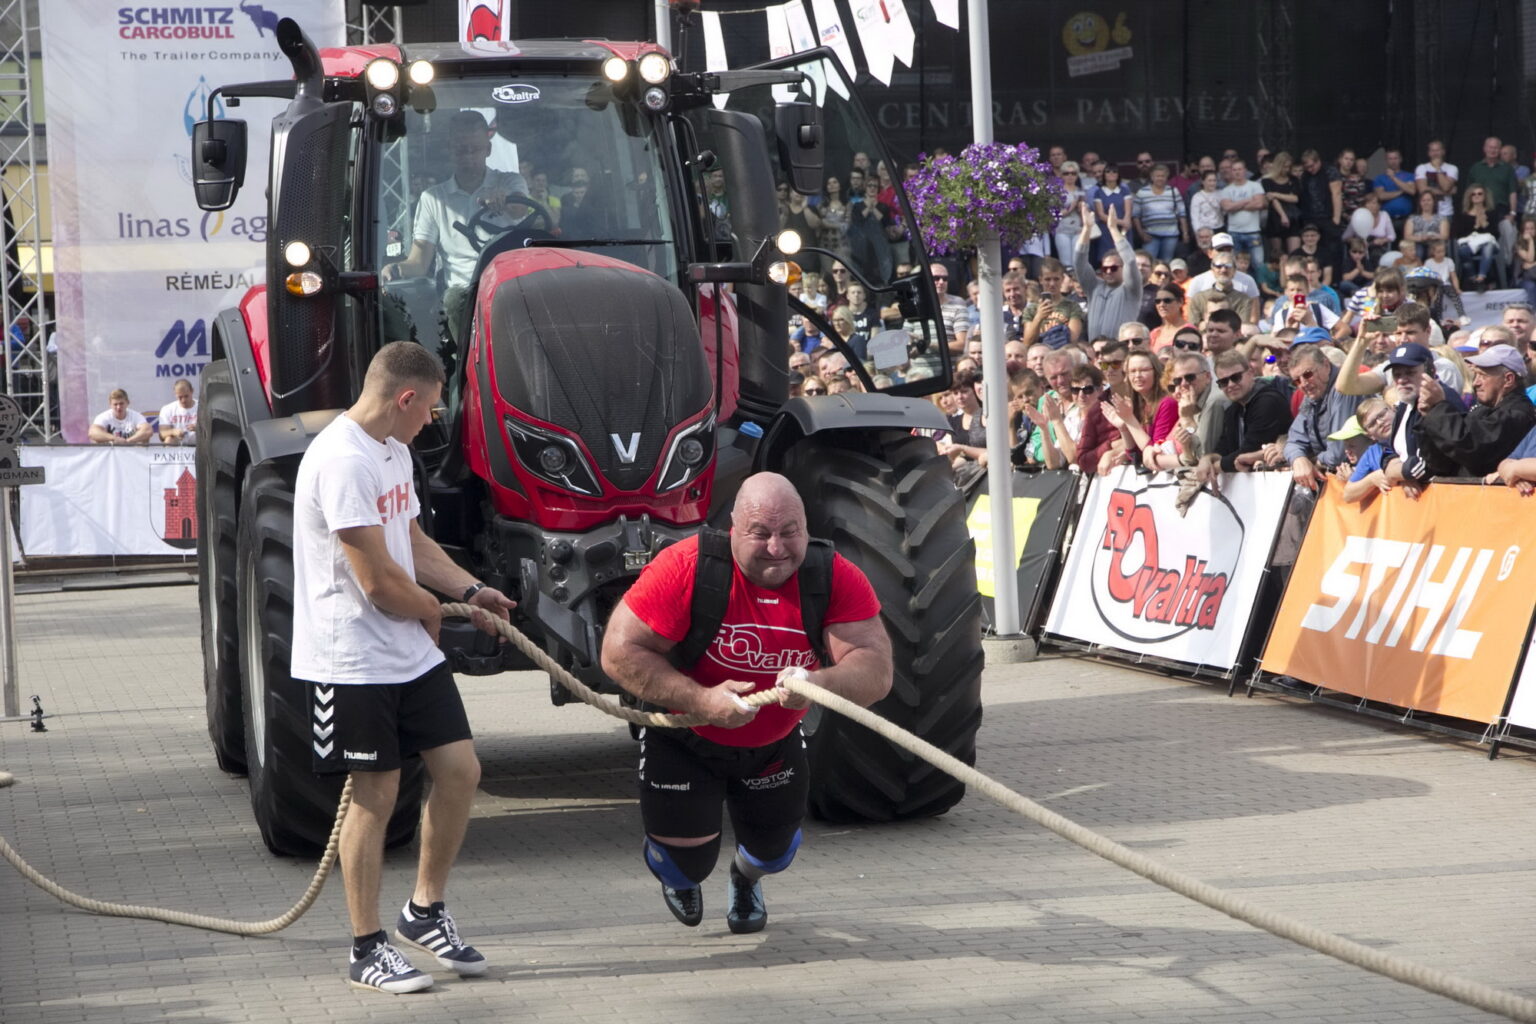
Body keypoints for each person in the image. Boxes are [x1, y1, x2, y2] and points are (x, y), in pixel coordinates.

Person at [290, 341, 515, 994]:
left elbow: (410, 541)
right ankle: (366, 948)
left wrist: (471, 590)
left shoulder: (392, 451)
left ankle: (424, 911)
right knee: (377, 794)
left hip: (407, 653)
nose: (432, 422)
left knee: (460, 771)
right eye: (431, 410)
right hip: (353, 659)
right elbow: (379, 583)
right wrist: (435, 611)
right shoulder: (342, 461)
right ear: (406, 397)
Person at [599, 472, 891, 934]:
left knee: (775, 854)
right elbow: (617, 653)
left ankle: (745, 878)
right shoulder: (685, 568)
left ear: (806, 527)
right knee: (683, 866)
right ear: (733, 529)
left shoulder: (833, 576)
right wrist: (700, 699)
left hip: (772, 745)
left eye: (790, 532)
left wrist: (817, 682)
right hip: (685, 737)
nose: (777, 548)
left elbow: (876, 671)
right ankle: (680, 869)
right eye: (760, 533)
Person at [389, 112, 531, 347]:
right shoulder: (434, 199)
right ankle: (470, 360)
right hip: (465, 294)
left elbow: (520, 209)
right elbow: (420, 261)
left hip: (511, 285)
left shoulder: (509, 183)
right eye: (461, 150)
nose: (468, 157)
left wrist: (504, 199)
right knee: (454, 299)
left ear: (488, 149)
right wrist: (395, 268)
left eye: (475, 149)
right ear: (450, 150)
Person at [1413, 342, 1536, 478]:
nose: (1475, 383)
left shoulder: (1517, 414)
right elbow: (1441, 463)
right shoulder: (1482, 410)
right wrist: (1429, 415)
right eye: (1475, 375)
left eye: (1482, 375)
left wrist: (1438, 407)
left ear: (1508, 379)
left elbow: (1470, 447)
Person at [1073, 204, 1143, 340]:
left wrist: (1112, 228)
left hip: (1120, 348)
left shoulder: (1131, 289)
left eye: (1114, 268)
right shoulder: (1093, 287)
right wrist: (1087, 229)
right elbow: (1079, 261)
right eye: (1105, 268)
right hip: (1095, 349)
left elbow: (1130, 260)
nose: (1109, 271)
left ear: (1123, 268)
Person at [1133, 163, 1188, 262]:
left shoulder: (1173, 191)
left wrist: (1185, 233)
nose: (1160, 178)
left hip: (1170, 235)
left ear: (1167, 177)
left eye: (1163, 176)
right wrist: (1141, 234)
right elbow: (1135, 215)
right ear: (1152, 177)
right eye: (1157, 176)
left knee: (1167, 261)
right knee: (1149, 261)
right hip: (1150, 235)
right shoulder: (1142, 193)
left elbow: (1182, 214)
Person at [1453, 184, 1501, 291]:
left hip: (1488, 243)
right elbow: (1459, 234)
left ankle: (1481, 278)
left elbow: (1496, 234)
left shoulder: (1491, 213)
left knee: (1488, 247)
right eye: (1473, 194)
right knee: (1463, 251)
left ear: (1484, 196)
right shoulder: (1463, 215)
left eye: (1480, 193)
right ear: (1469, 197)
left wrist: (1484, 224)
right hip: (1469, 243)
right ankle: (1473, 278)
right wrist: (1475, 227)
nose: (1476, 196)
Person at [1262, 152, 1303, 258]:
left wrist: (1276, 194)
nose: (1287, 169)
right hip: (1275, 217)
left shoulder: (1293, 179)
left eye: (1289, 167)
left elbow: (1295, 198)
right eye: (1285, 166)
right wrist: (1283, 215)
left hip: (1293, 217)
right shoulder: (1267, 180)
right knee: (1277, 254)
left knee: (1294, 254)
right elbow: (1272, 200)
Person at [158, 378, 198, 445]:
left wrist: (199, 428)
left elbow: (213, 430)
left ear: (192, 391)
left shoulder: (202, 407)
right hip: (177, 444)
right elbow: (162, 434)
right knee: (169, 439)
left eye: (186, 396)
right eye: (180, 397)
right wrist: (173, 432)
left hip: (199, 444)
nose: (183, 400)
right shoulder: (167, 409)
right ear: (175, 394)